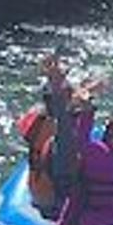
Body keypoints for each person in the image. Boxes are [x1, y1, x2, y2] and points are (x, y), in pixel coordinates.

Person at [35, 53, 103, 213]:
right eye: (70, 93)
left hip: (74, 193)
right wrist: (55, 81)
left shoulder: (72, 125)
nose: (76, 94)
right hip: (67, 202)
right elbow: (60, 107)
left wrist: (89, 91)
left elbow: (74, 102)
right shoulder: (63, 132)